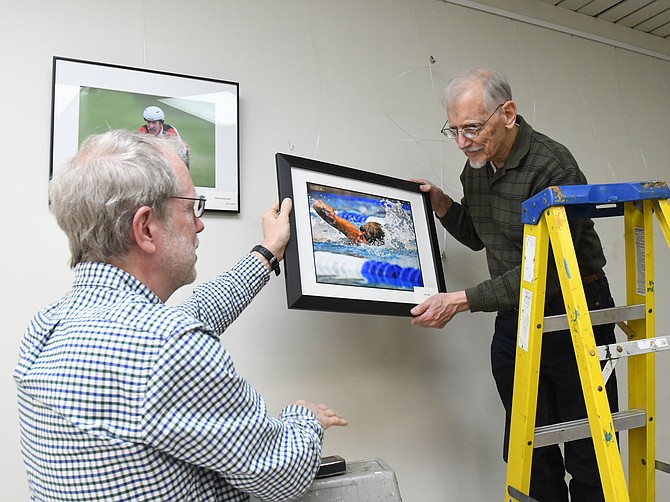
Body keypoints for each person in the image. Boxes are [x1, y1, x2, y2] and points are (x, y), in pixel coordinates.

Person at [14, 130, 347, 501]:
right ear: (145, 229)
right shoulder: (167, 346)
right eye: (191, 208)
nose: (199, 223)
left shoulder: (48, 326)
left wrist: (267, 253)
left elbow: (195, 313)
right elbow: (280, 474)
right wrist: (305, 421)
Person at [410, 68, 617, 502]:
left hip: (574, 308)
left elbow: (546, 272)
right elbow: (480, 232)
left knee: (586, 445)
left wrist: (462, 301)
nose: (463, 142)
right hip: (517, 313)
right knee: (527, 440)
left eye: (472, 128)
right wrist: (441, 203)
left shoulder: (552, 166)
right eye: (454, 130)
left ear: (508, 113)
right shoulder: (477, 167)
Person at [312, 199, 385, 245]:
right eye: (361, 230)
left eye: (365, 237)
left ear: (373, 242)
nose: (359, 236)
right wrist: (322, 206)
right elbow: (316, 203)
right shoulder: (355, 234)